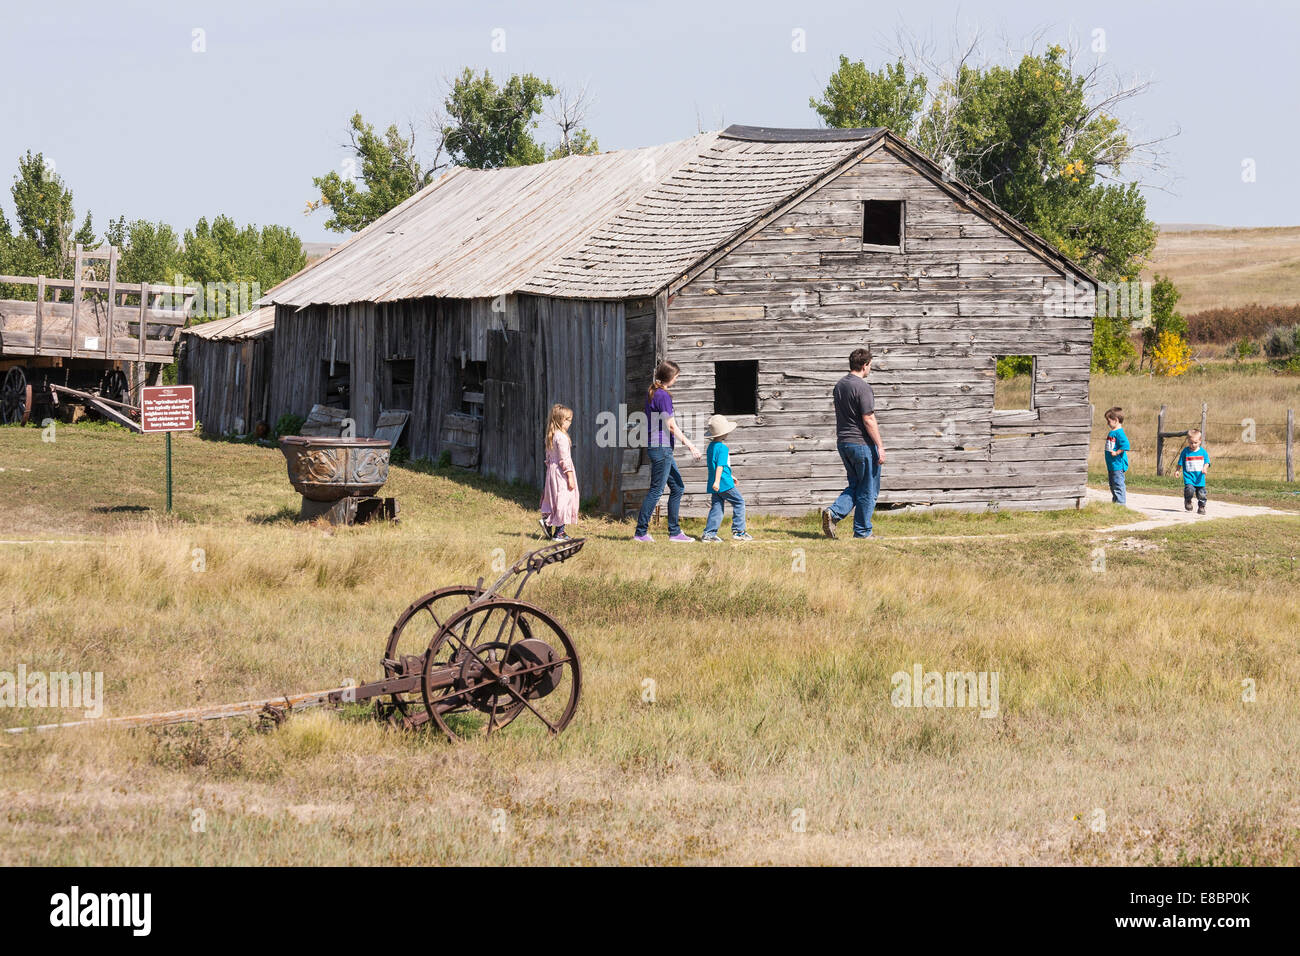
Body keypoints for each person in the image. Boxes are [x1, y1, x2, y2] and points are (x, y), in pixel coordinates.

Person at [634, 360, 703, 542]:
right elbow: (671, 426)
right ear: (670, 377)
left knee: (678, 487)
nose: (677, 379)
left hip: (661, 448)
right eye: (676, 376)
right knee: (656, 491)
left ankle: (675, 532)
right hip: (661, 448)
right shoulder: (663, 395)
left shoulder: (654, 393)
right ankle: (640, 533)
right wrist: (691, 445)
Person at [821, 348, 885, 539]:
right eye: (870, 365)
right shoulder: (862, 387)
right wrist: (880, 446)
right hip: (861, 443)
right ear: (865, 365)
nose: (870, 369)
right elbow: (868, 418)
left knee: (856, 485)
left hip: (844, 442)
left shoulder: (840, 386)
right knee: (868, 488)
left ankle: (834, 513)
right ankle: (863, 532)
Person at [700, 414, 751, 542]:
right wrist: (718, 481)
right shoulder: (723, 448)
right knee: (739, 502)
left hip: (715, 482)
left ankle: (709, 534)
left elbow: (717, 465)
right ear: (724, 433)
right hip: (722, 482)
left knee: (717, 507)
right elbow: (720, 466)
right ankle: (739, 531)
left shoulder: (711, 447)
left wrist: (730, 475)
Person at [539, 403, 579, 541]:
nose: (570, 423)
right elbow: (564, 459)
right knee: (564, 500)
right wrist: (570, 476)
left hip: (552, 471)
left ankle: (548, 524)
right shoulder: (561, 437)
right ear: (559, 420)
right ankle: (559, 532)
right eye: (567, 420)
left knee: (553, 499)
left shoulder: (551, 435)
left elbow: (549, 457)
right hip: (561, 473)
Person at [1177, 428, 1211, 515]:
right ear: (1188, 441)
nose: (1193, 445)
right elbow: (1180, 461)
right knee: (1189, 490)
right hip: (1189, 477)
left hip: (1199, 478)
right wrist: (1177, 470)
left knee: (1201, 494)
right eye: (1191, 443)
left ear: (1200, 441)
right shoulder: (1185, 451)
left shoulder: (1203, 452)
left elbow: (1207, 462)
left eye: (1195, 443)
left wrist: (1205, 468)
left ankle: (1201, 507)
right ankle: (1188, 501)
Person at [1103, 406, 1130, 505]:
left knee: (1118, 484)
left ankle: (1120, 504)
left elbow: (1126, 445)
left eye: (1109, 421)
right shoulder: (1112, 432)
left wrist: (1117, 452)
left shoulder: (1119, 433)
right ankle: (1115, 502)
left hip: (1117, 465)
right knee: (1112, 485)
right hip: (1111, 465)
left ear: (1116, 420)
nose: (1107, 423)